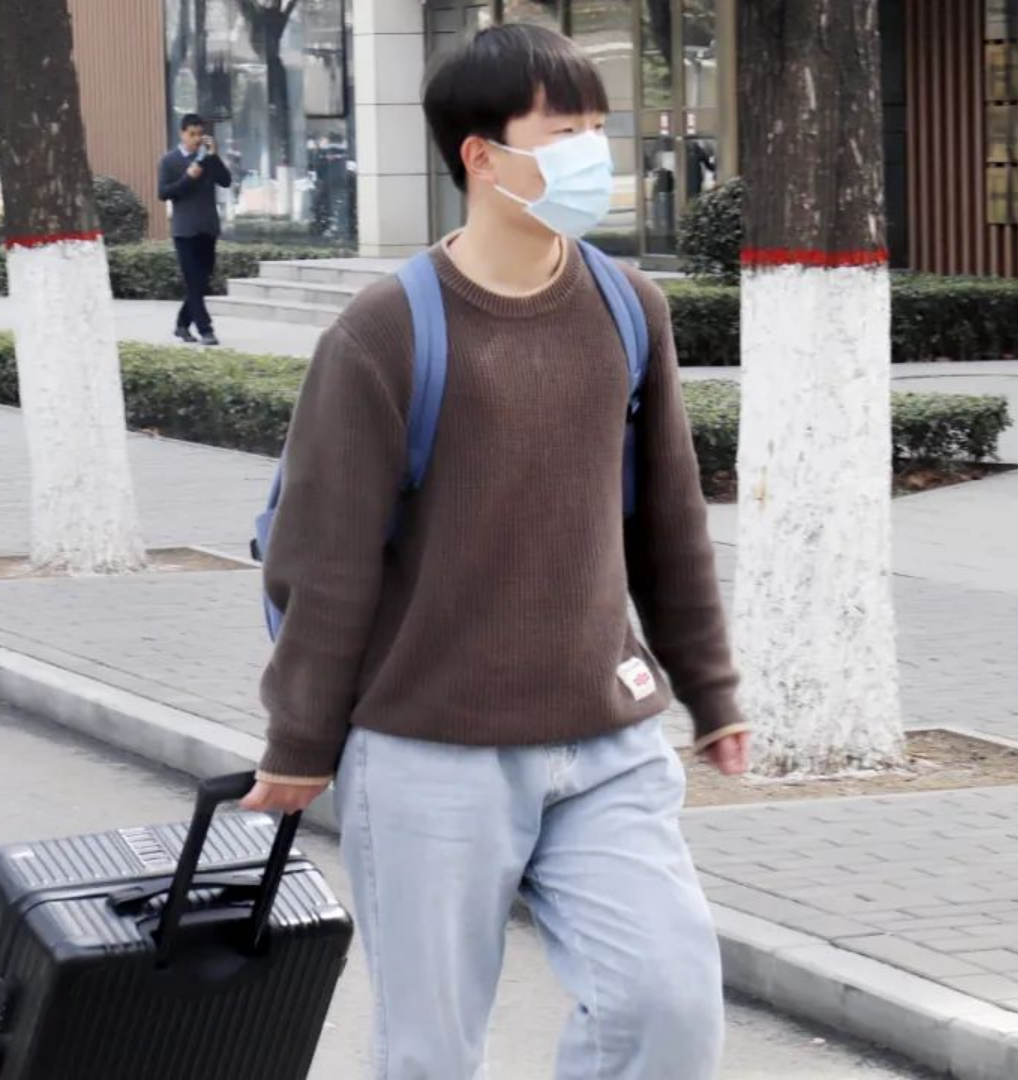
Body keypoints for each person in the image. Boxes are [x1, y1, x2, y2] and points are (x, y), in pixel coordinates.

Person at [242, 24, 748, 1080]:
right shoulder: (387, 329)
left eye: (600, 128)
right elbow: (324, 561)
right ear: (482, 154)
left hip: (606, 742)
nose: (595, 155)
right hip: (430, 751)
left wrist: (711, 689)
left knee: (667, 1007)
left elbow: (666, 518)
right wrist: (300, 743)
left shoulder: (627, 305)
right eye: (565, 133)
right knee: (432, 1054)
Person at [157, 113, 231, 346]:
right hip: (184, 230)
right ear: (182, 134)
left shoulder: (208, 159)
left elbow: (226, 181)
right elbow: (163, 193)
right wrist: (188, 178)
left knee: (202, 282)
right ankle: (205, 329)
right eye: (192, 134)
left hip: (208, 227)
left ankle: (182, 324)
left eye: (200, 134)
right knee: (193, 281)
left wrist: (214, 156)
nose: (197, 139)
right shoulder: (169, 161)